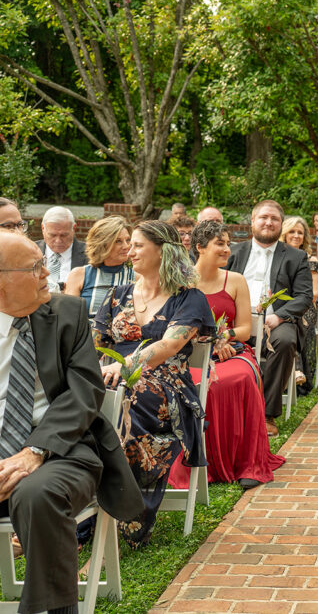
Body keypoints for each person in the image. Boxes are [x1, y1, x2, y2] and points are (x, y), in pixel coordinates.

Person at [0, 232, 143, 614]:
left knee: (37, 494)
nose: (48, 272)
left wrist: (34, 450)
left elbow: (84, 392)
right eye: (33, 267)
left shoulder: (67, 312)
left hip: (61, 451)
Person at [93, 220, 215, 548]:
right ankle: (81, 512)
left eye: (137, 245)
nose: (128, 251)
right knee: (83, 405)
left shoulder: (189, 299)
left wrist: (127, 365)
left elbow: (169, 346)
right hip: (109, 381)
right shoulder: (116, 296)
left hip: (165, 386)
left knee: (126, 400)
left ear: (162, 250)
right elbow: (92, 344)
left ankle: (111, 525)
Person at [168, 220, 284, 490]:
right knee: (198, 381)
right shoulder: (181, 282)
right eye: (220, 243)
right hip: (191, 355)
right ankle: (198, 460)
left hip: (232, 353)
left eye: (228, 243)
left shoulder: (235, 280)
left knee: (238, 378)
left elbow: (244, 329)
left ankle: (245, 462)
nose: (227, 249)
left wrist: (224, 337)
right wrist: (207, 341)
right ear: (199, 247)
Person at [227, 200, 313, 436]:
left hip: (275, 322)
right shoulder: (233, 252)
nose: (269, 222)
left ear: (281, 224)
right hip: (235, 321)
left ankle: (266, 414)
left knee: (284, 342)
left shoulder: (296, 257)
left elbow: (304, 296)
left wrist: (280, 316)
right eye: (263, 217)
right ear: (253, 221)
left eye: (274, 219)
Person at [64, 216, 135, 317]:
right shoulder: (79, 275)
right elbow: (69, 316)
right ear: (102, 244)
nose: (126, 246)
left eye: (128, 240)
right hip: (85, 332)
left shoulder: (137, 277)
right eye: (118, 241)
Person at [281, 216, 318, 394]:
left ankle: (297, 371)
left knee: (293, 321)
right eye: (292, 231)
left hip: (305, 308)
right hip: (282, 306)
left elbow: (313, 294)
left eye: (300, 232)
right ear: (284, 234)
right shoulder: (277, 258)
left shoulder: (309, 260)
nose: (296, 235)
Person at [35, 206, 86, 292]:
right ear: (43, 228)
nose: (58, 241)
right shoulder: (29, 251)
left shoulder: (90, 254)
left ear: (74, 228)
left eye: (64, 235)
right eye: (52, 235)